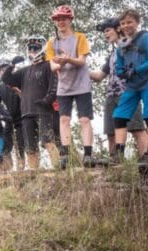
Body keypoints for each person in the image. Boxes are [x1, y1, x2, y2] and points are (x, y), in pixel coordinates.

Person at [46, 4, 97, 169]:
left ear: (70, 20)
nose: (61, 22)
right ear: (55, 21)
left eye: (64, 18)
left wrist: (67, 59)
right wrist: (60, 62)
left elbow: (82, 61)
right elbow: (53, 67)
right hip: (64, 87)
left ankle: (88, 154)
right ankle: (65, 155)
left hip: (82, 85)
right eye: (58, 19)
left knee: (84, 119)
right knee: (64, 119)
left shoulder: (80, 38)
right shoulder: (51, 42)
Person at [89, 18, 148, 160]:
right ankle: (115, 164)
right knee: (111, 132)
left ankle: (147, 160)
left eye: (108, 30)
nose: (105, 34)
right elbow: (99, 76)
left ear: (118, 29)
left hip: (129, 93)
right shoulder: (112, 54)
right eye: (104, 32)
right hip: (111, 96)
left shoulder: (133, 46)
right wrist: (80, 68)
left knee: (137, 128)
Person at [113, 9, 148, 170]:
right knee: (119, 115)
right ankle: (118, 154)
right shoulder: (120, 45)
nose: (126, 25)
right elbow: (119, 67)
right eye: (123, 23)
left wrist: (137, 70)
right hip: (132, 85)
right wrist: (123, 73)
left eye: (129, 22)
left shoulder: (145, 38)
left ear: (136, 22)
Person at [2, 35, 60, 169]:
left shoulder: (48, 66)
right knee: (30, 147)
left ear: (42, 48)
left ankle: (58, 170)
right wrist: (11, 65)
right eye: (30, 48)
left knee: (48, 141)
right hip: (26, 112)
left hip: (44, 111)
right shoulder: (24, 71)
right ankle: (34, 174)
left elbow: (54, 88)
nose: (32, 50)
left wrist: (46, 101)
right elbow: (6, 79)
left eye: (35, 48)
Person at [0, 59, 26, 170]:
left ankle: (21, 168)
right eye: (1, 70)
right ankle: (7, 170)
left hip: (22, 118)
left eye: (5, 68)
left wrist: (19, 91)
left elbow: (28, 98)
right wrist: (1, 115)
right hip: (9, 119)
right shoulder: (0, 87)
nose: (3, 71)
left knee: (21, 144)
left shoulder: (20, 81)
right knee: (6, 146)